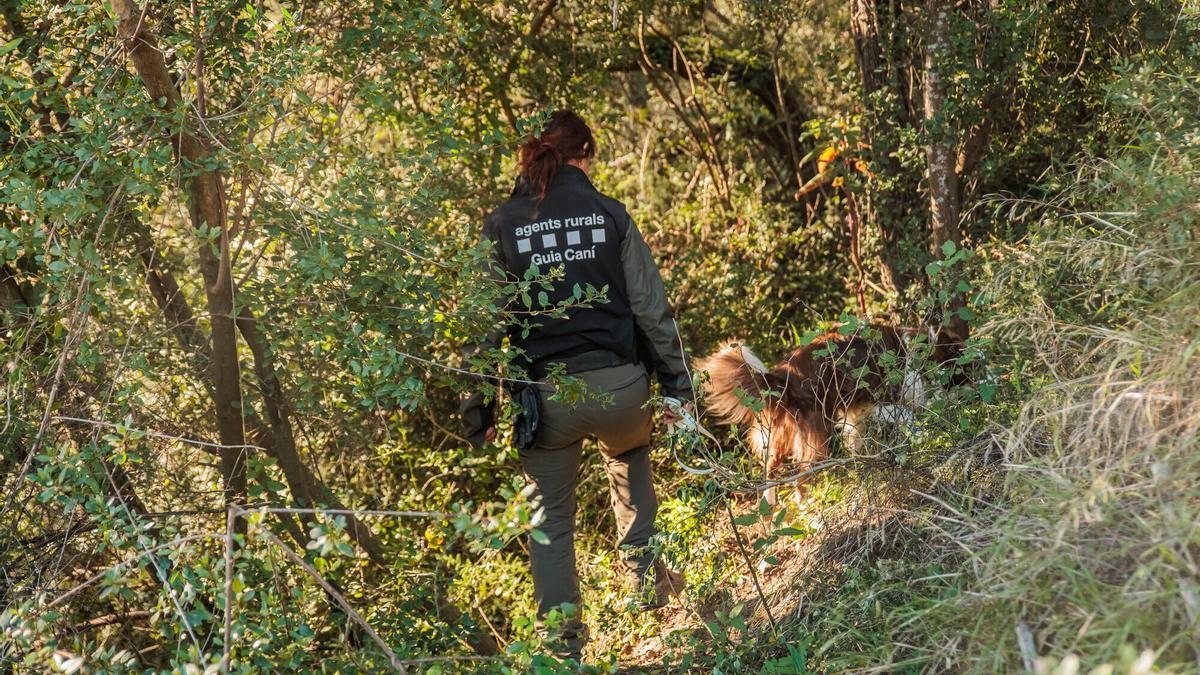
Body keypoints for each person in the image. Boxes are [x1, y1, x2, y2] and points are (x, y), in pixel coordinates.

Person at [460, 110, 692, 660]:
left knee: (550, 522)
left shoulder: (502, 224)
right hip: (621, 392)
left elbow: (482, 327)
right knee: (630, 460)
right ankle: (649, 594)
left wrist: (479, 410)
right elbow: (652, 311)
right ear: (583, 156)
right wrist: (678, 389)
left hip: (547, 402)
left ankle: (563, 652)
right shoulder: (610, 214)